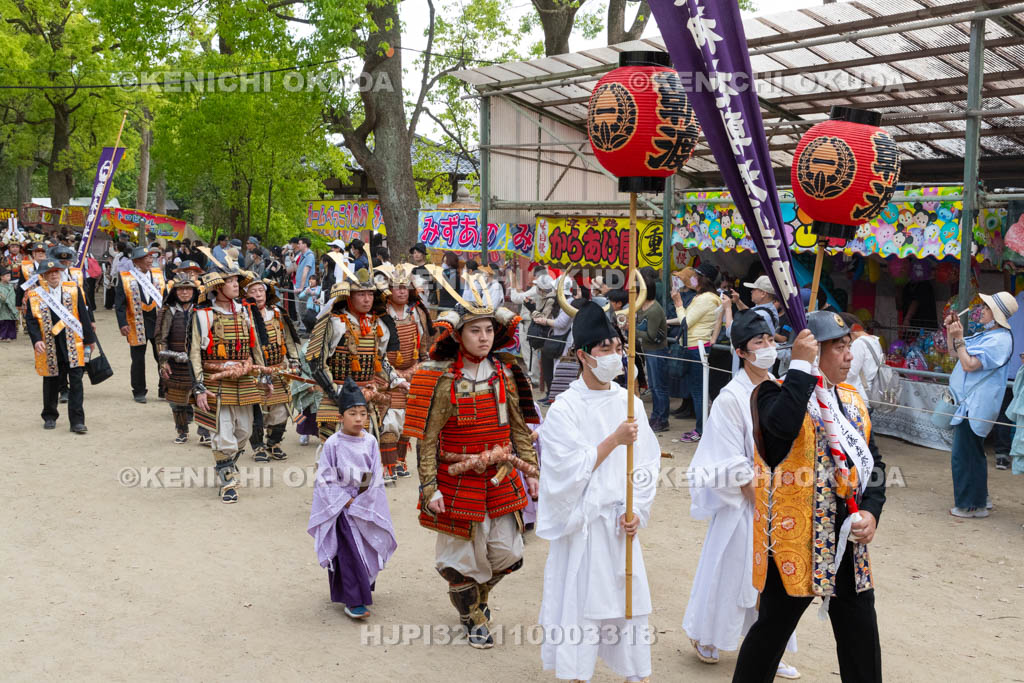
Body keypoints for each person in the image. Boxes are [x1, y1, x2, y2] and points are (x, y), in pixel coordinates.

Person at [732, 311, 886, 683]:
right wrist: (800, 368)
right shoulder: (773, 393)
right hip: (793, 541)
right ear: (814, 352)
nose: (849, 356)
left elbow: (874, 465)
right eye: (839, 347)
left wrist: (870, 512)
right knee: (771, 632)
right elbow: (778, 435)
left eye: (849, 345)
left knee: (860, 632)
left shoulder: (852, 400)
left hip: (846, 538)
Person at [403, 284, 540, 650]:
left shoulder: (506, 373)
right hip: (455, 479)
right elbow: (427, 440)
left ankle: (474, 598)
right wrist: (429, 488)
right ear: (459, 335)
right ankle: (474, 617)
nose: (484, 337)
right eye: (475, 330)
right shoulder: (440, 378)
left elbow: (518, 427)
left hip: (500, 475)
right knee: (458, 559)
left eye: (489, 329)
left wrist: (531, 471)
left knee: (510, 554)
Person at [536, 300, 660, 682]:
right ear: (582, 355)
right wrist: (613, 440)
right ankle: (576, 672)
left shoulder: (630, 403)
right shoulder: (565, 408)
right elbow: (564, 470)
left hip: (619, 524)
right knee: (580, 605)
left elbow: (647, 464)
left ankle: (634, 673)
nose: (613, 355)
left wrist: (637, 508)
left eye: (617, 347)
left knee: (629, 602)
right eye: (603, 348)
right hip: (583, 528)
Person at [682, 310, 799, 679]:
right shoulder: (730, 398)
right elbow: (728, 458)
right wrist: (756, 492)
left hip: (780, 501)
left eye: (770, 340)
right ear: (742, 352)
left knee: (775, 583)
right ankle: (706, 635)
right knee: (730, 574)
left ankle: (768, 649)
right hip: (743, 505)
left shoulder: (781, 389)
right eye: (757, 343)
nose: (767, 348)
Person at [308, 377, 398, 620]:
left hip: (364, 503)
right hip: (341, 509)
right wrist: (344, 500)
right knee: (348, 552)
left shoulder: (370, 441)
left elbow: (373, 473)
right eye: (352, 413)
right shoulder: (333, 445)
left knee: (367, 547)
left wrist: (362, 497)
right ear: (340, 417)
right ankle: (353, 600)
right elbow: (325, 478)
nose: (359, 419)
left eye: (362, 413)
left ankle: (362, 585)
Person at [305, 267, 407, 457]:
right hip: (337, 395)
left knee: (364, 452)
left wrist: (396, 379)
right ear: (349, 297)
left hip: (367, 396)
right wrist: (335, 391)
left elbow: (380, 359)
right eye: (361, 294)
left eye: (370, 293)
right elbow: (316, 361)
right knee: (333, 453)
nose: (367, 299)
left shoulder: (377, 323)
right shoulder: (334, 322)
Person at [189, 267, 267, 504]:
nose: (235, 285)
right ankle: (227, 481)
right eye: (230, 281)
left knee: (244, 430)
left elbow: (256, 345)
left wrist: (264, 375)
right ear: (217, 287)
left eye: (236, 281)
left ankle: (227, 463)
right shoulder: (203, 314)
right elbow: (194, 351)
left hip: (244, 379)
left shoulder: (246, 311)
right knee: (223, 433)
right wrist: (199, 387)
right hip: (217, 380)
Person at [943, 292, 1016, 518]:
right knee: (972, 452)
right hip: (968, 404)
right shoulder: (987, 335)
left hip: (976, 405)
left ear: (996, 314)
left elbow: (970, 364)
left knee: (963, 455)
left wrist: (961, 338)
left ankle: (970, 505)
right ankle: (979, 498)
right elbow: (954, 352)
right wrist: (951, 331)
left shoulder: (1000, 340)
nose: (981, 310)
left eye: (986, 307)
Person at [25, 258, 97, 433]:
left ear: (61, 272)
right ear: (43, 276)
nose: (53, 275)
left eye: (56, 272)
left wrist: (89, 339)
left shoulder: (73, 290)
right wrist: (36, 340)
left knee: (76, 381)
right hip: (49, 343)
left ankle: (77, 421)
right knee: (50, 380)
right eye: (49, 273)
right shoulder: (35, 295)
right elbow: (31, 321)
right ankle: (49, 415)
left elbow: (83, 313)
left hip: (72, 341)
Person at [378, 263, 431, 479]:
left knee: (409, 421)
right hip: (386, 374)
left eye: (404, 287)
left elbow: (425, 346)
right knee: (390, 420)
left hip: (414, 372)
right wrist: (393, 375)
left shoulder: (417, 313)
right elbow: (376, 351)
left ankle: (400, 461)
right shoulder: (381, 314)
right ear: (388, 290)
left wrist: (418, 368)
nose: (400, 291)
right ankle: (387, 465)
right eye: (396, 286)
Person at [244, 277, 300, 462]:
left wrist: (293, 359)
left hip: (278, 370)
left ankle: (273, 443)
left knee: (281, 409)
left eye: (260, 290)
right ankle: (258, 446)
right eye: (253, 291)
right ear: (246, 295)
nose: (258, 294)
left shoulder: (277, 313)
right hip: (255, 370)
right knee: (257, 410)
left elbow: (289, 339)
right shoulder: (243, 315)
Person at [670, 262, 722, 442]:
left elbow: (686, 322)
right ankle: (701, 429)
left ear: (701, 278)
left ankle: (701, 430)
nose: (690, 279)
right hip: (696, 346)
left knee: (699, 392)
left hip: (697, 348)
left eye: (693, 275)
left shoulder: (706, 298)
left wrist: (677, 303)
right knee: (698, 391)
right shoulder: (704, 297)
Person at [115, 246, 167, 403]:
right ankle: (139, 390)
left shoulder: (158, 275)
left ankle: (164, 388)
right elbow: (120, 304)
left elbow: (165, 299)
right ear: (137, 261)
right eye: (147, 258)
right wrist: (122, 323)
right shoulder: (126, 278)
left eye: (151, 258)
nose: (150, 261)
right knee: (138, 358)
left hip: (157, 321)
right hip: (136, 321)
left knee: (162, 356)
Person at [155, 277, 203, 444]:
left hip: (199, 363)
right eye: (180, 289)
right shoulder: (168, 311)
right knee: (177, 401)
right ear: (174, 292)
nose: (184, 292)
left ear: (194, 292)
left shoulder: (201, 310)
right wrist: (163, 362)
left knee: (203, 398)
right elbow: (161, 339)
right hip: (175, 362)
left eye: (188, 289)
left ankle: (205, 432)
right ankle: (182, 431)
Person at [637, 269, 669, 432]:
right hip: (650, 350)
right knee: (654, 385)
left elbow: (651, 335)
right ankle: (656, 416)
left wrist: (632, 330)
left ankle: (662, 418)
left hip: (657, 350)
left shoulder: (654, 309)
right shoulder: (643, 306)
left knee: (658, 386)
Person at [841, 312, 884, 409]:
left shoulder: (859, 344)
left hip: (859, 397)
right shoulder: (875, 340)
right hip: (870, 394)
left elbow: (850, 373)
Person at [294, 236, 316, 328]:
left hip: (305, 287)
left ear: (305, 245)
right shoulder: (301, 255)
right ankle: (303, 327)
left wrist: (301, 287)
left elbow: (305, 271)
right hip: (299, 286)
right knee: (300, 308)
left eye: (300, 243)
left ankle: (306, 328)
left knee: (304, 309)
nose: (298, 245)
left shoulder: (310, 256)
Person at [0, 268, 19, 341]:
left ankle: (10, 336)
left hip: (11, 306)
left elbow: (13, 296)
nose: (9, 278)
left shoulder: (11, 286)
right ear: (2, 277)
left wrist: (11, 302)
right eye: (7, 276)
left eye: (9, 276)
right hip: (3, 307)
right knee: (3, 322)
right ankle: (2, 336)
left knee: (11, 322)